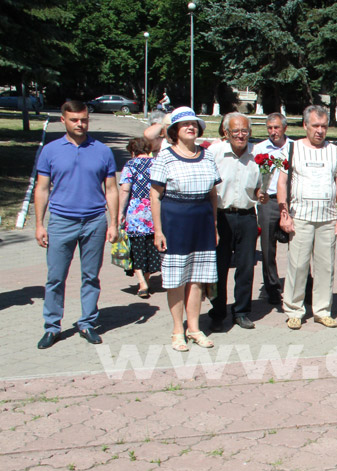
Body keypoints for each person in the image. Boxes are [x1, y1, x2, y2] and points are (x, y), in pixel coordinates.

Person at [34, 100, 118, 349]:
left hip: (94, 221)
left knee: (91, 276)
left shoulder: (102, 151)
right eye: (74, 120)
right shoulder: (50, 150)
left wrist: (113, 223)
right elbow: (41, 188)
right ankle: (52, 327)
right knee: (55, 277)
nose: (80, 124)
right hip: (61, 221)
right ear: (63, 120)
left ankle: (87, 323)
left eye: (84, 120)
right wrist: (39, 224)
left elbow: (111, 189)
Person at [150, 106, 221, 351]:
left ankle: (194, 328)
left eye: (194, 124)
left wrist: (214, 225)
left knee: (198, 279)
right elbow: (155, 195)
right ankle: (177, 331)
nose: (191, 127)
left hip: (202, 222)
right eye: (185, 124)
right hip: (175, 223)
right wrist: (158, 230)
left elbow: (213, 194)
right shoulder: (165, 156)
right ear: (175, 130)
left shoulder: (207, 155)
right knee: (176, 279)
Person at [277, 105, 337, 330]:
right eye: (315, 125)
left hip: (327, 219)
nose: (320, 130)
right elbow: (281, 183)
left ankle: (322, 310)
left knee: (325, 267)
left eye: (324, 126)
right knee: (298, 266)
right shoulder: (291, 149)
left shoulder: (334, 151)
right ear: (305, 125)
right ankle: (294, 310)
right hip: (300, 217)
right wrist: (284, 215)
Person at [208, 113, 264, 331]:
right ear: (226, 132)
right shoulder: (214, 153)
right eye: (236, 131)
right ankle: (217, 312)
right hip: (221, 216)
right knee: (218, 268)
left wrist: (261, 194)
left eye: (245, 131)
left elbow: (259, 185)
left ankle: (241, 311)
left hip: (247, 216)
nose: (241, 135)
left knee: (246, 267)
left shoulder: (257, 154)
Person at [253, 113, 293, 305]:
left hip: (291, 201)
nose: (273, 131)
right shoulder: (260, 149)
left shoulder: (294, 147)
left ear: (285, 128)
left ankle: (302, 285)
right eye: (269, 128)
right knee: (268, 247)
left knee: (298, 245)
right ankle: (272, 288)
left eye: (276, 127)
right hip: (269, 200)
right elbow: (254, 175)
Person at [119, 137, 161, 298]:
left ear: (132, 151)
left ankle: (142, 282)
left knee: (136, 248)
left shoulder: (130, 165)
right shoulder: (157, 163)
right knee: (150, 247)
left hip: (136, 212)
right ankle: (146, 280)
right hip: (154, 210)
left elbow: (125, 189)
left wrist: (120, 212)